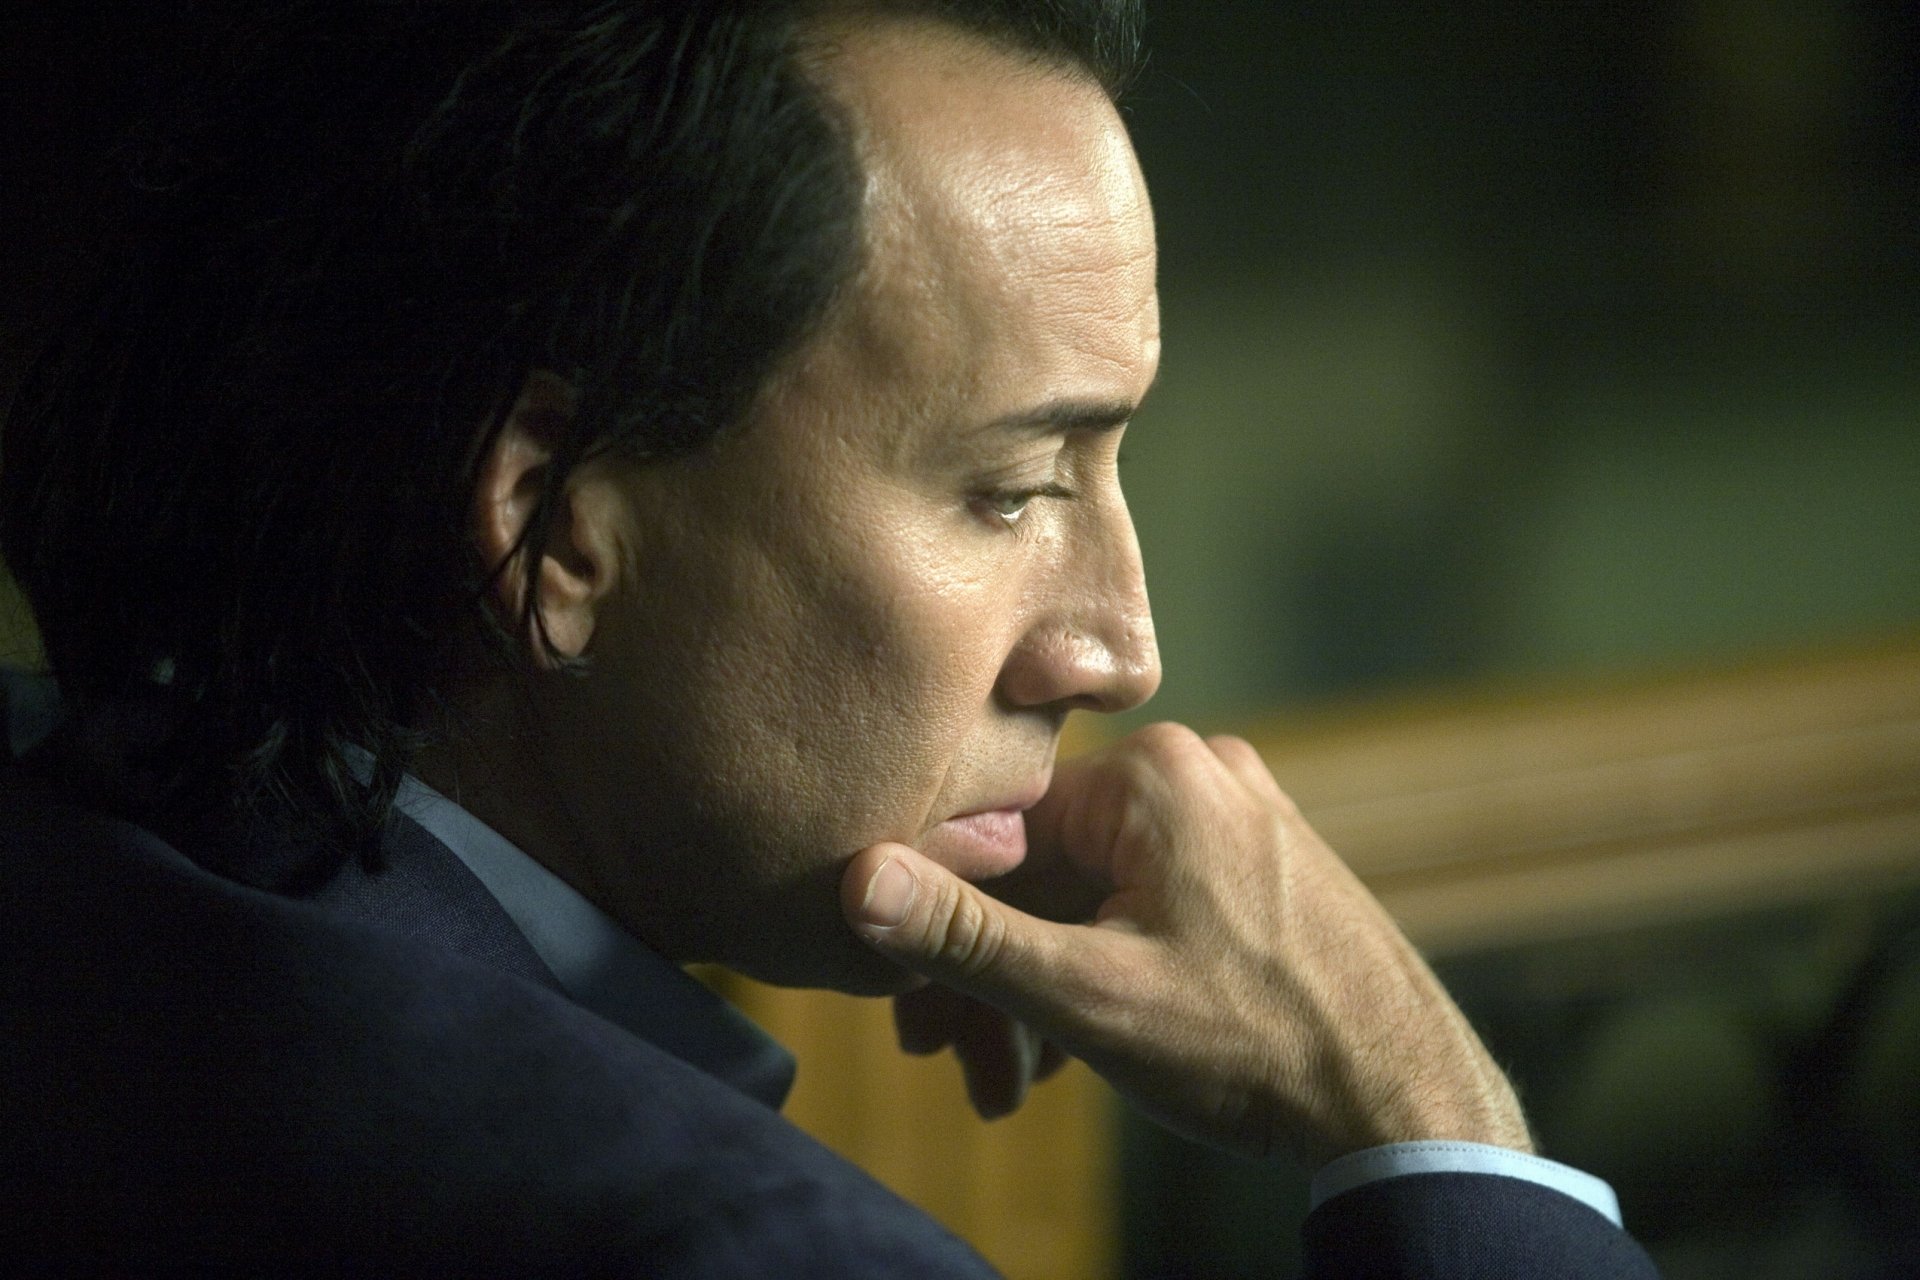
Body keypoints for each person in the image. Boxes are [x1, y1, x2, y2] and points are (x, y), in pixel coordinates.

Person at [0, 1, 1659, 1273]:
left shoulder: (75, 850)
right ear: (558, 529)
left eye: (1110, 468)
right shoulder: (748, 1247)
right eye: (1012, 489)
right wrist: (1434, 1124)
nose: (1120, 649)